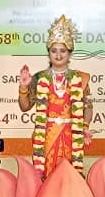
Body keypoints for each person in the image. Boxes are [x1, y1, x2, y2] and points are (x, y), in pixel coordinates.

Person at [17, 14, 92, 180]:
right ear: (48, 53)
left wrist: (85, 127)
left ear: (69, 53)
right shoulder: (39, 78)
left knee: (70, 177)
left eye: (63, 51)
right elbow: (24, 107)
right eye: (54, 51)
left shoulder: (80, 78)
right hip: (46, 136)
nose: (58, 55)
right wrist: (24, 87)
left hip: (71, 135)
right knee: (46, 177)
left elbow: (87, 107)